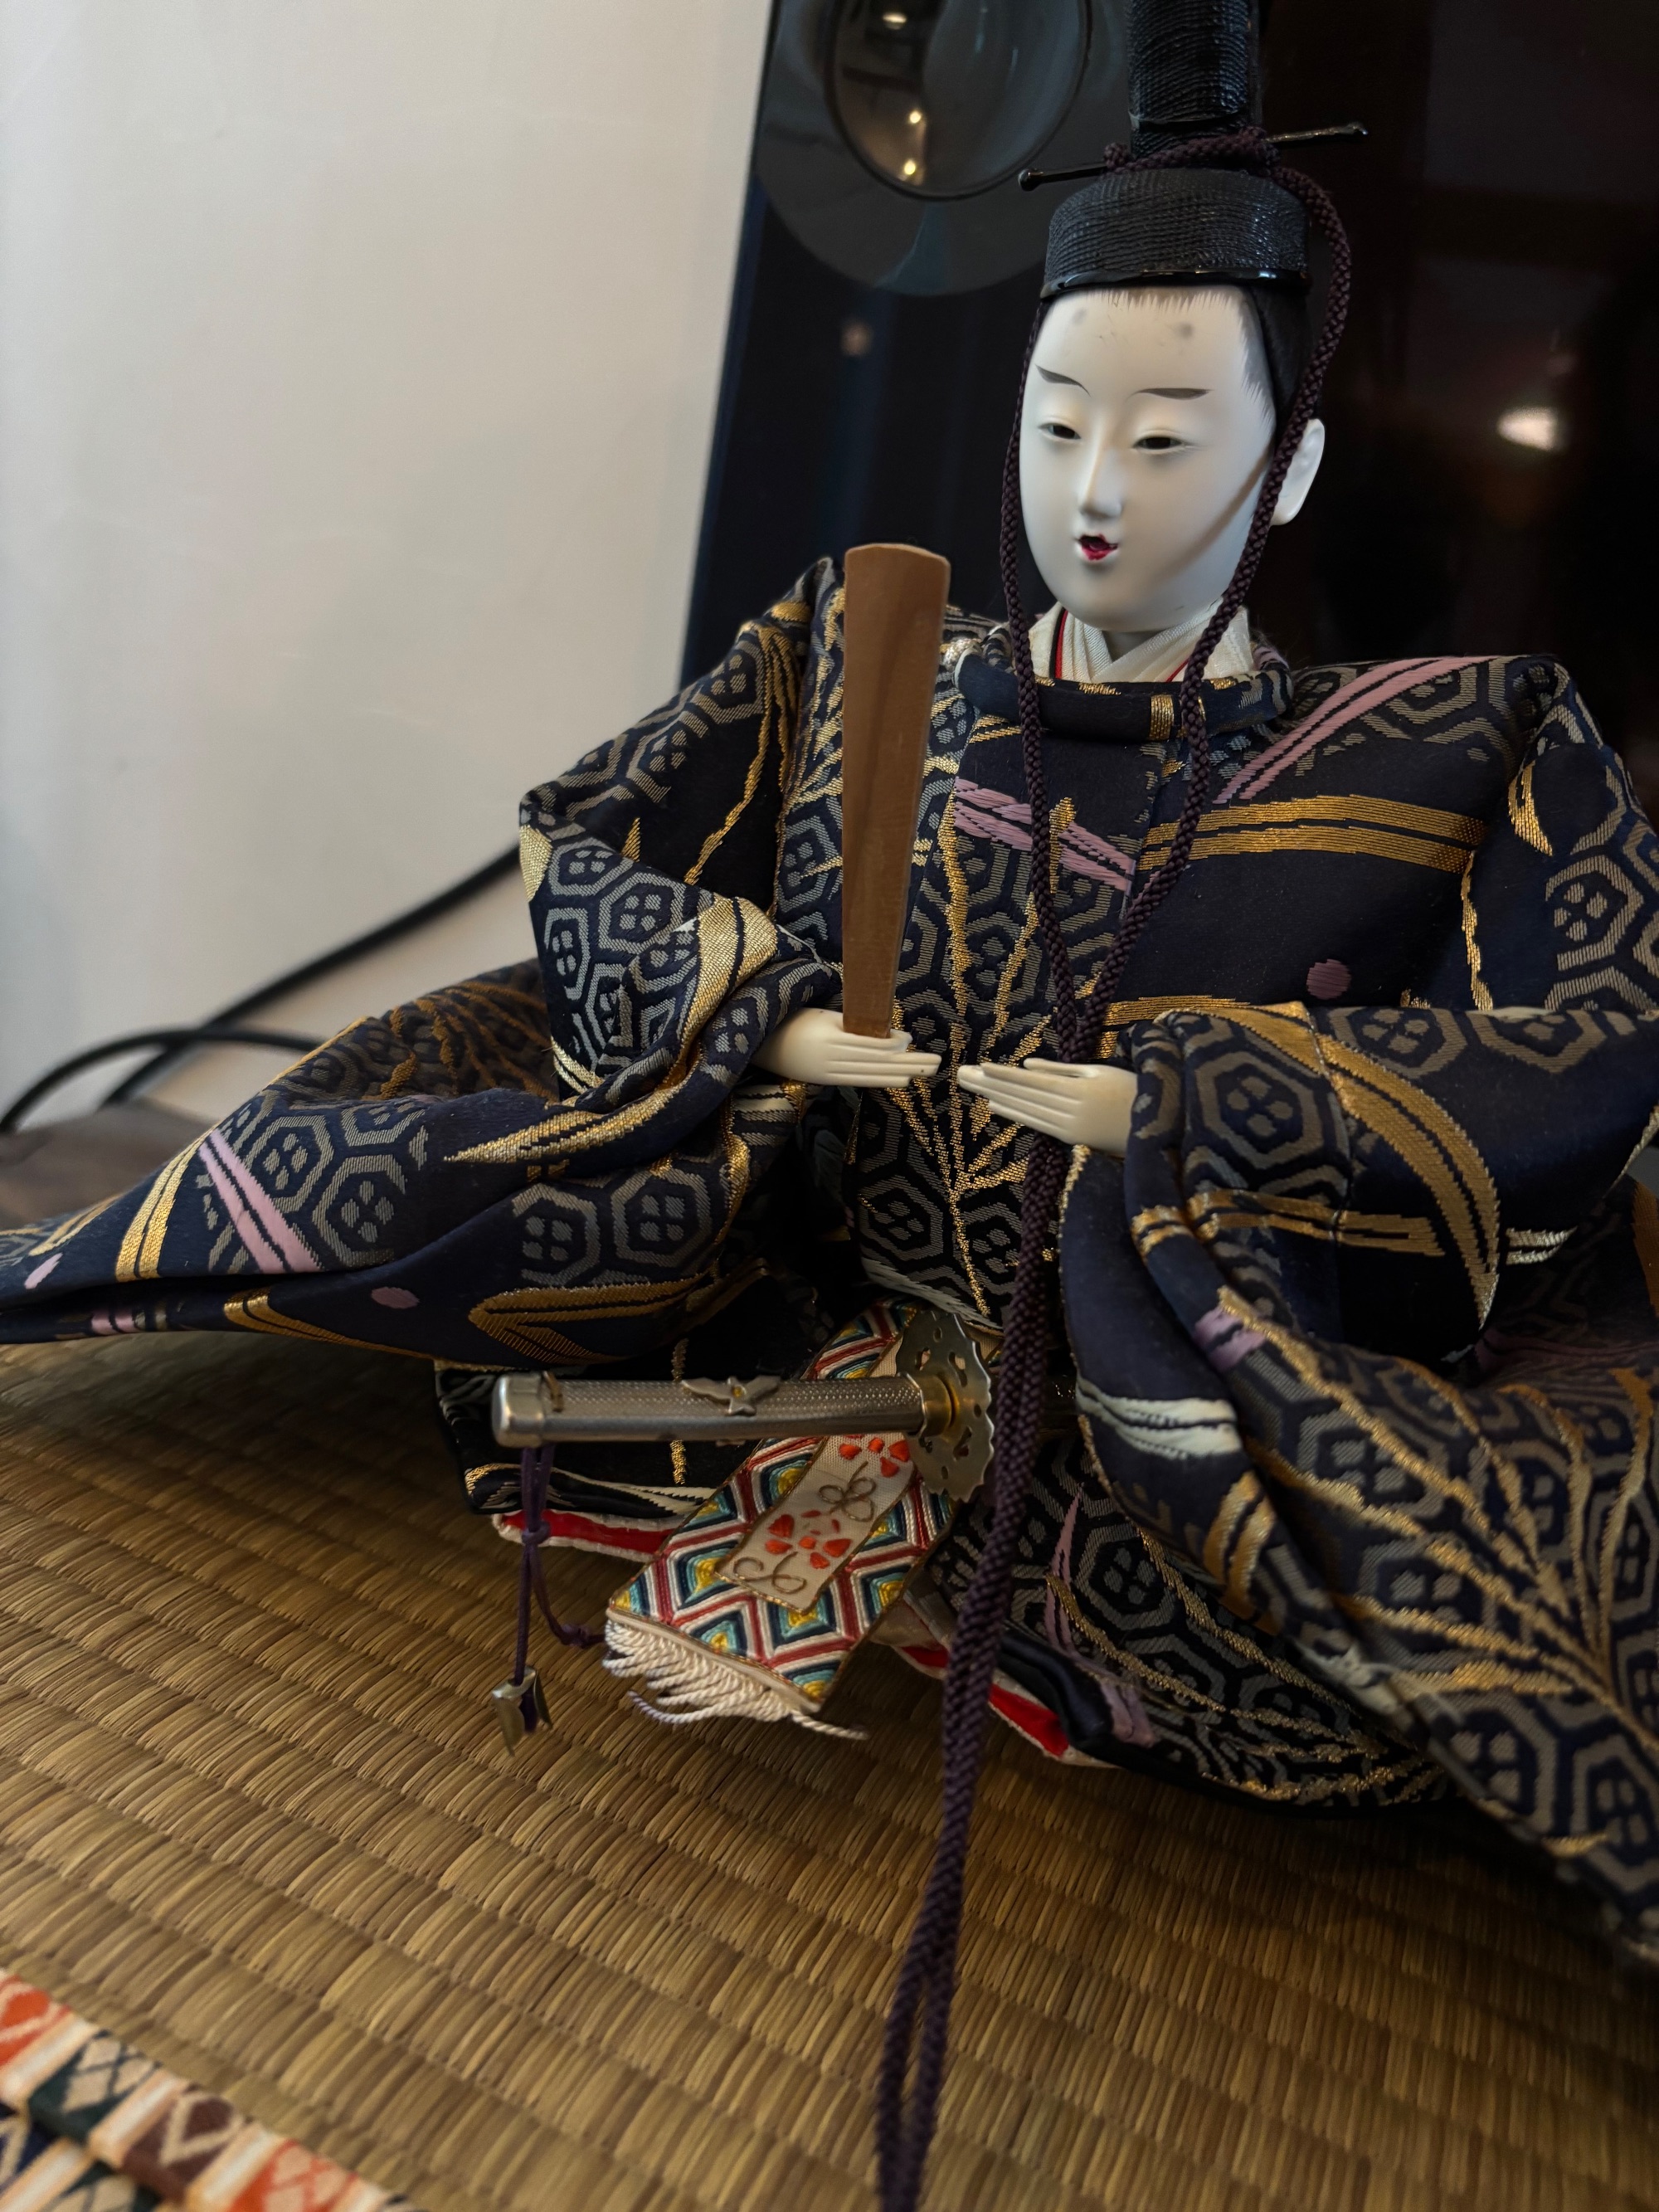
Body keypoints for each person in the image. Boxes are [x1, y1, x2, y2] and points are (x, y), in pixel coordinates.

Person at [3, 4, 1659, 2200]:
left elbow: (1578, 1043)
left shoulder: (1463, 749)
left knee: (1400, 1643)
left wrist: (1193, 1109)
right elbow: (591, 843)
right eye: (1059, 417)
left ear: (1294, 467)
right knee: (419, 1212)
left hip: (1136, 1419)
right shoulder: (861, 663)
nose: (1094, 488)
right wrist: (757, 1021)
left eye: (1171, 436)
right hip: (811, 1318)